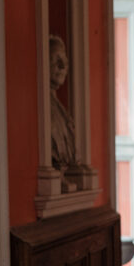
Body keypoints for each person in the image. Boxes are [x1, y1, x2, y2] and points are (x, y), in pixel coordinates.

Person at [49, 35, 78, 176]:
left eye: (64, 59)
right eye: (55, 59)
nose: (62, 66)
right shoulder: (44, 111)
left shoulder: (62, 112)